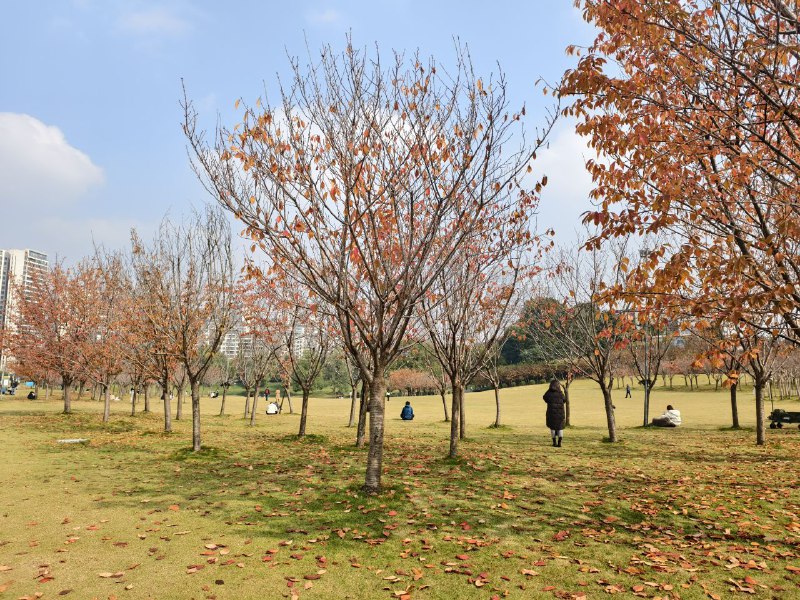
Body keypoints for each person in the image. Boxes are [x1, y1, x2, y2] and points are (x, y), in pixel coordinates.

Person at [543, 379, 566, 447]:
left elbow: (544, 398)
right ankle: (559, 443)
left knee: (552, 427)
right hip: (560, 414)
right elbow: (564, 400)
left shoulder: (549, 393)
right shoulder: (560, 393)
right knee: (560, 427)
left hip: (551, 414)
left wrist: (549, 390)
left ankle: (554, 442)